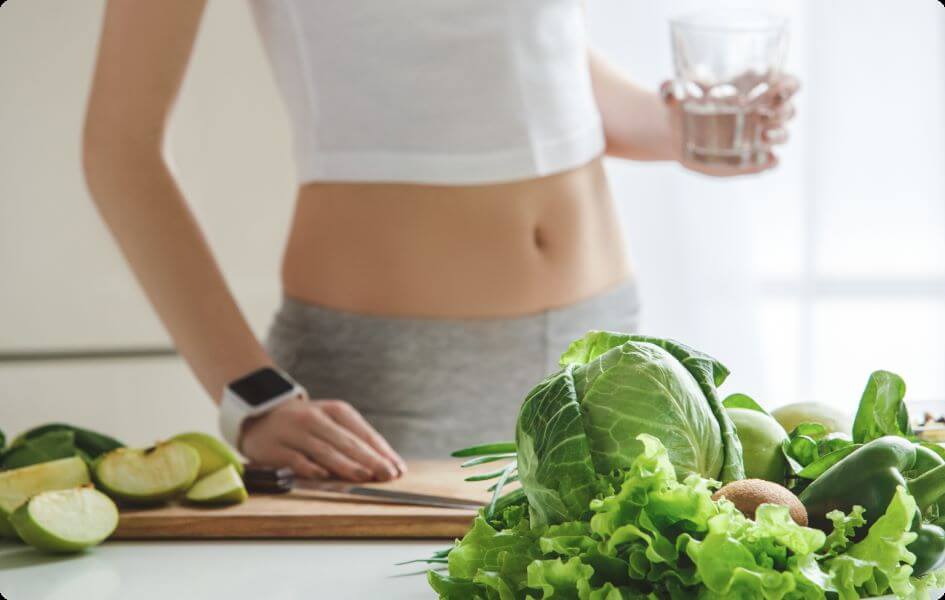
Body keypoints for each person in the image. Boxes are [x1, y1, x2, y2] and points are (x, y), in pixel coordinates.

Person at [82, 1, 797, 483]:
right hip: (390, 384)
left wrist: (669, 125)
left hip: (601, 345)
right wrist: (253, 397)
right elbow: (119, 150)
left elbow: (525, 48)